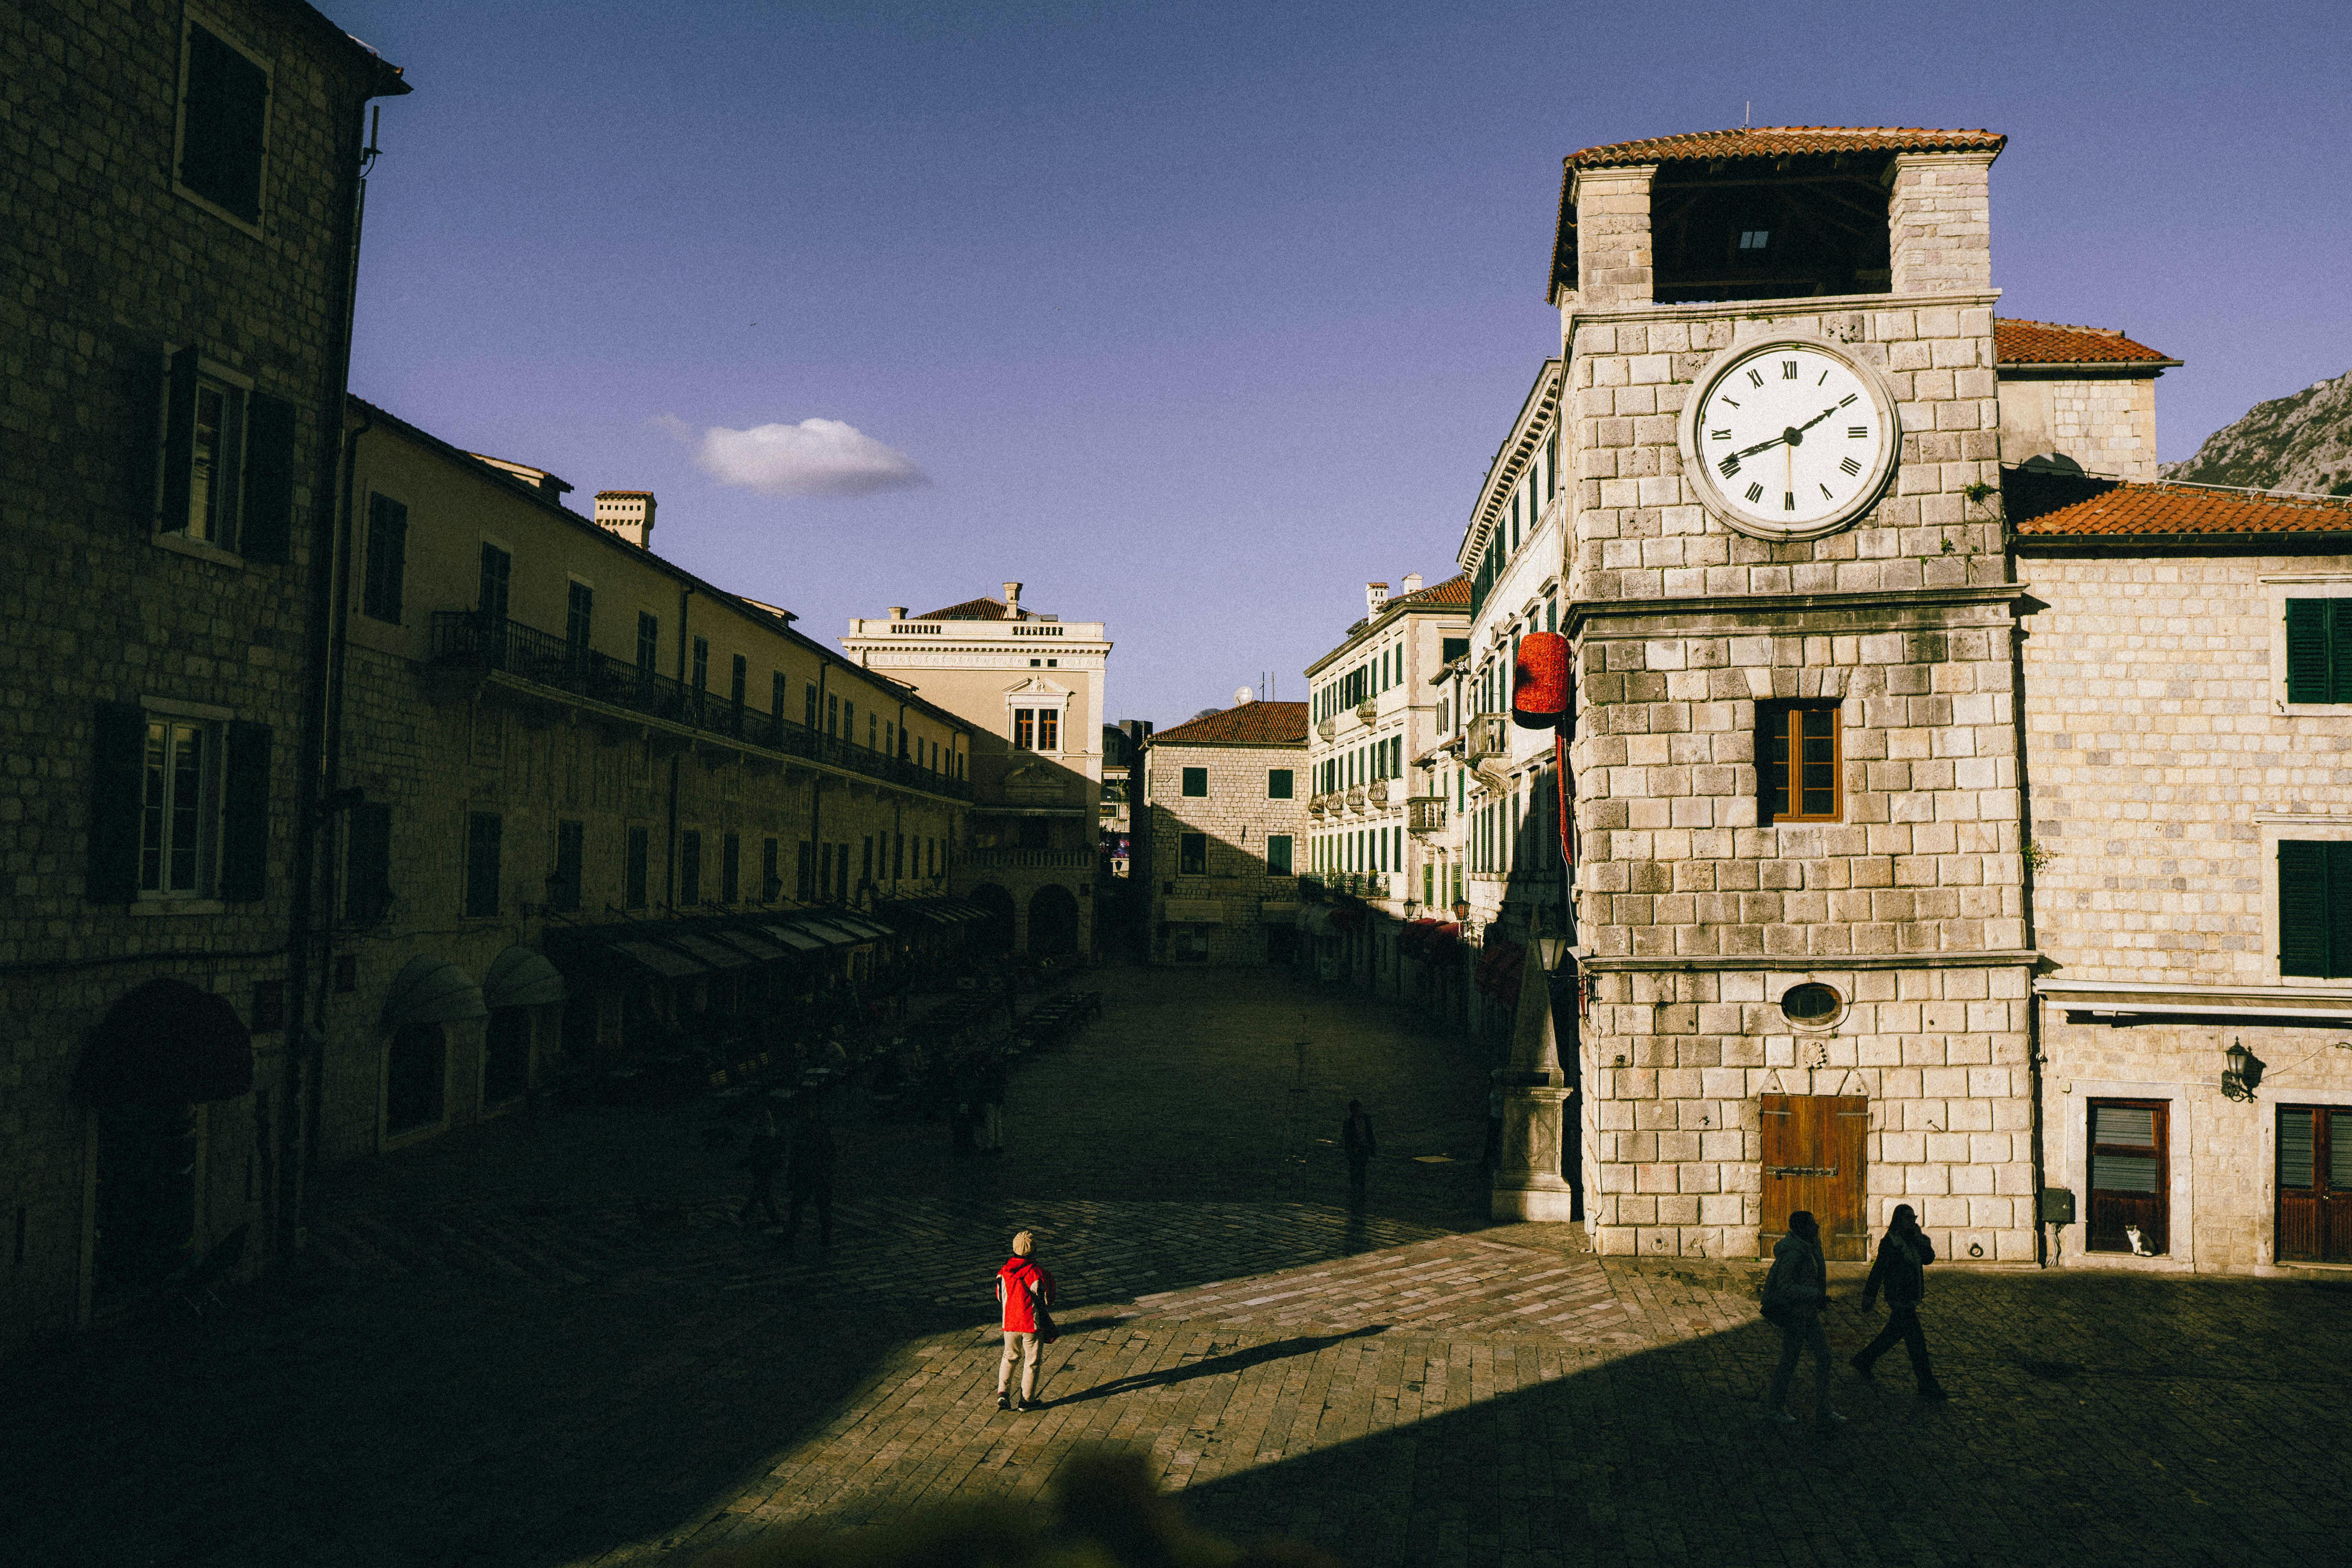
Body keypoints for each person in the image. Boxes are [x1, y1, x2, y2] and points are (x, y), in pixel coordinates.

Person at [1852, 1203, 1946, 1398]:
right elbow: (1879, 1270)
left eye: (1914, 1218)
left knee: (1891, 1336)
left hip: (1911, 1299)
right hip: (1900, 1300)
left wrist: (1921, 1239)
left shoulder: (1913, 1241)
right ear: (1898, 1220)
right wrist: (1870, 1295)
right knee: (1917, 1344)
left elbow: (1928, 1259)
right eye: (1908, 1219)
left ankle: (1864, 1359)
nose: (1912, 1222)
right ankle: (1927, 1384)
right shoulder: (1891, 1243)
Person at [1760, 1210, 1845, 1427]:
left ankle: (1823, 1409)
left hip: (1808, 1314)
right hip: (1796, 1315)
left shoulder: (1810, 1247)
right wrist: (1815, 1295)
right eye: (1813, 1224)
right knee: (1790, 1361)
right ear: (1803, 1229)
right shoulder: (1795, 1252)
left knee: (1824, 1357)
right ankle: (1775, 1408)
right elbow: (1786, 1287)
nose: (1817, 1227)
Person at [994, 1229, 1056, 1411]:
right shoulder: (1036, 1274)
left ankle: (1003, 1393)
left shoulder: (1003, 1272)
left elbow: (1000, 1296)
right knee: (1032, 1361)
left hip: (1010, 1323)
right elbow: (1047, 1299)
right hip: (1031, 1324)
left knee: (1009, 1356)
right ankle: (1027, 1400)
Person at [781, 1101, 836, 1250]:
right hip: (815, 1175)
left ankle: (792, 1236)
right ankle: (823, 1238)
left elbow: (796, 1156)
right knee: (817, 1208)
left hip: (809, 1175)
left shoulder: (804, 1130)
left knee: (803, 1207)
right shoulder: (819, 1129)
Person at [737, 1107, 783, 1227]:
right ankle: (746, 1215)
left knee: (761, 1193)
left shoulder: (765, 1135)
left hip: (763, 1168)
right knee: (761, 1193)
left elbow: (758, 1153)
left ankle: (774, 1220)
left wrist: (747, 1162)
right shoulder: (769, 1134)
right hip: (763, 1168)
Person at [1341, 1100, 1376, 1206]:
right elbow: (1348, 1138)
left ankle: (1360, 1187)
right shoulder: (1349, 1122)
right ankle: (1356, 1187)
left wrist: (1372, 1147)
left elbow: (1370, 1134)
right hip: (1355, 1149)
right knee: (1355, 1168)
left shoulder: (1366, 1119)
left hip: (1364, 1148)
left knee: (1362, 1168)